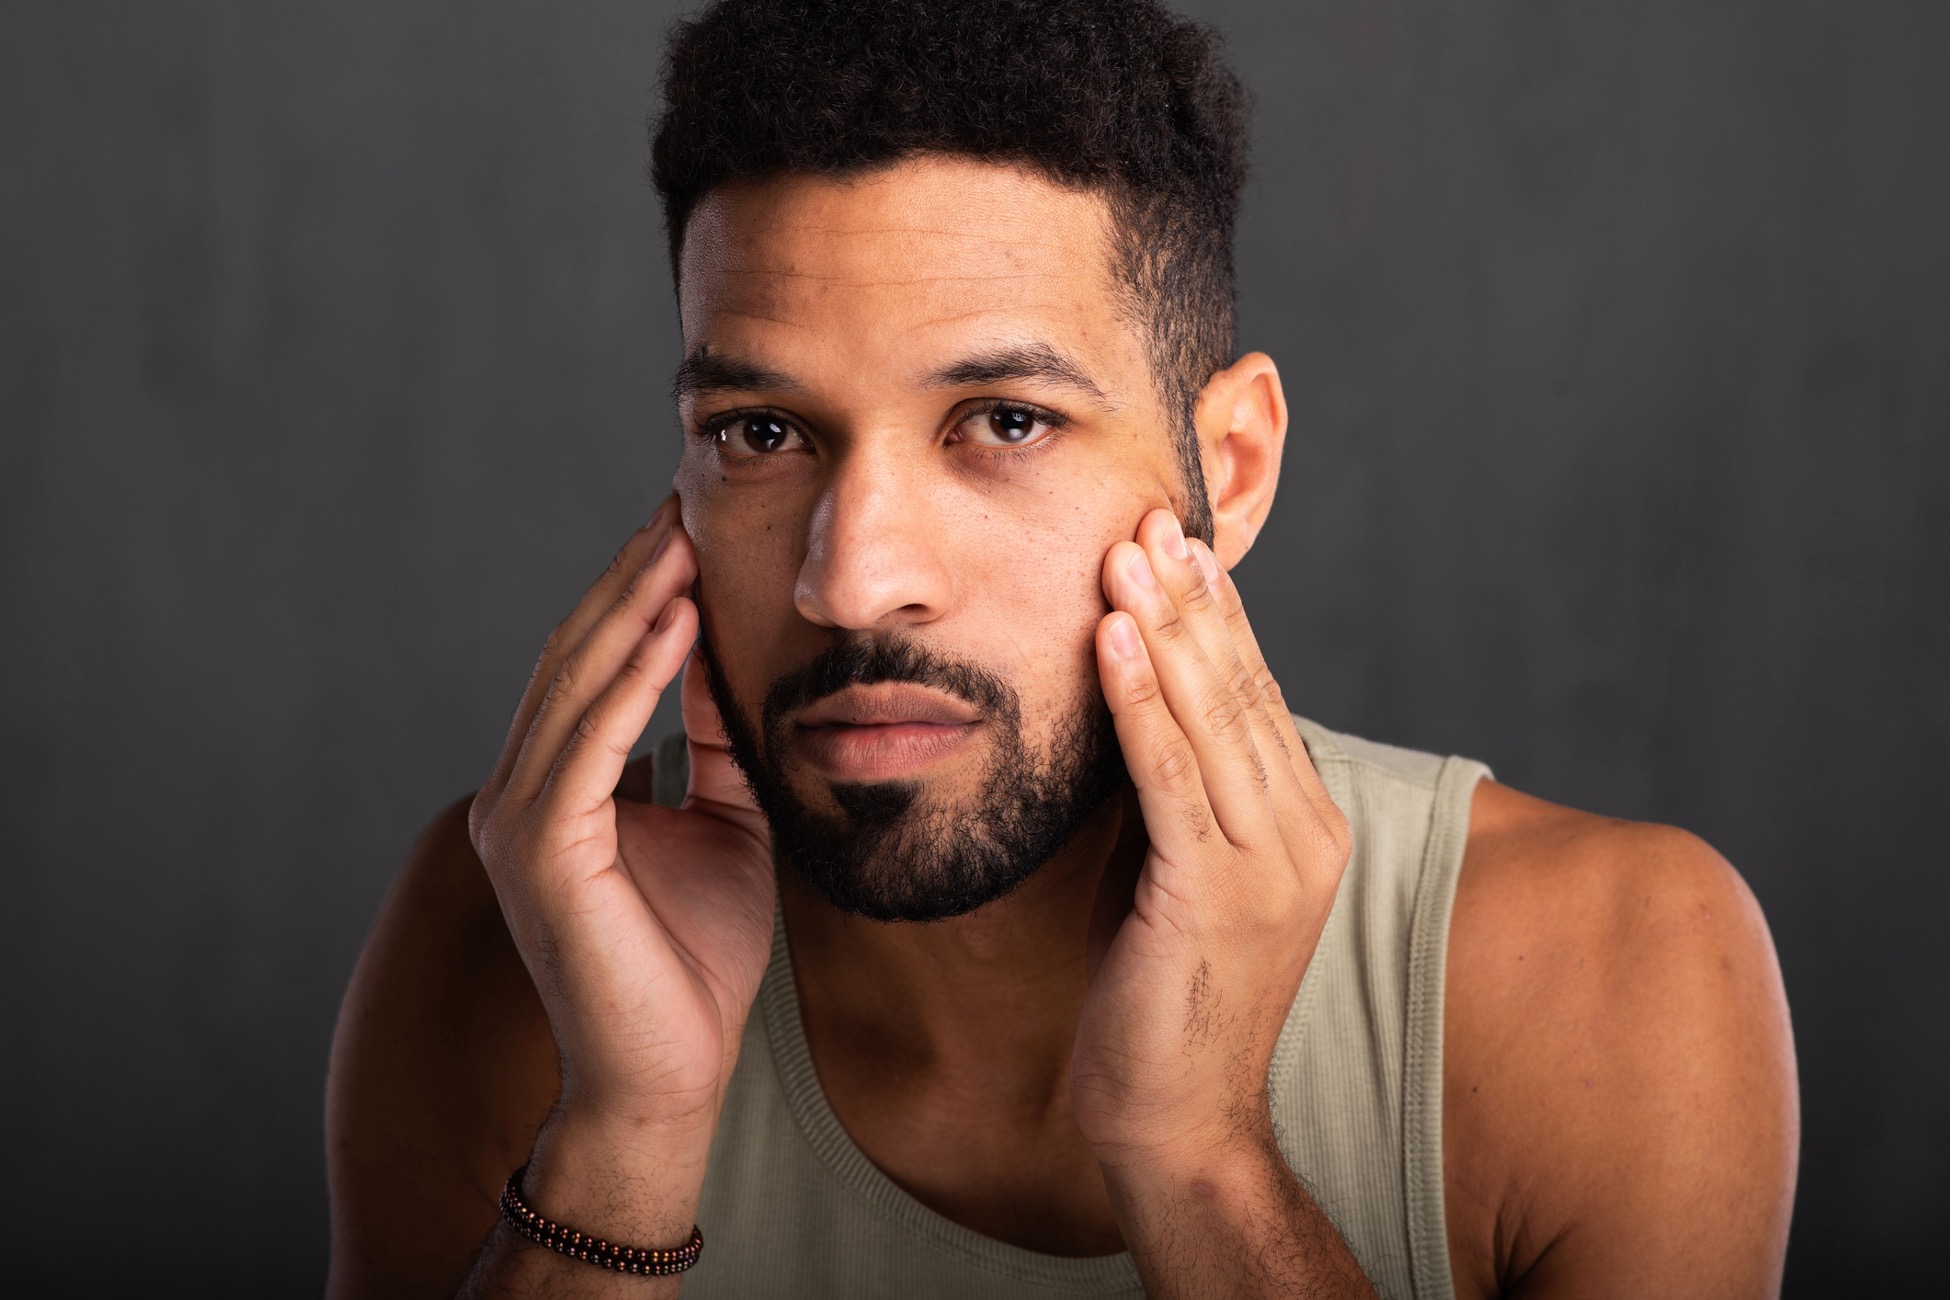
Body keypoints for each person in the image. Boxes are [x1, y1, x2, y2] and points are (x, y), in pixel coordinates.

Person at [325, 1, 1798, 1295]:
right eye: (759, 434)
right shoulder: (515, 934)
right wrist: (620, 1141)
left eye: (1005, 424)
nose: (852, 579)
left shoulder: (1614, 977)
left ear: (1230, 465)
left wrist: (1199, 1154)